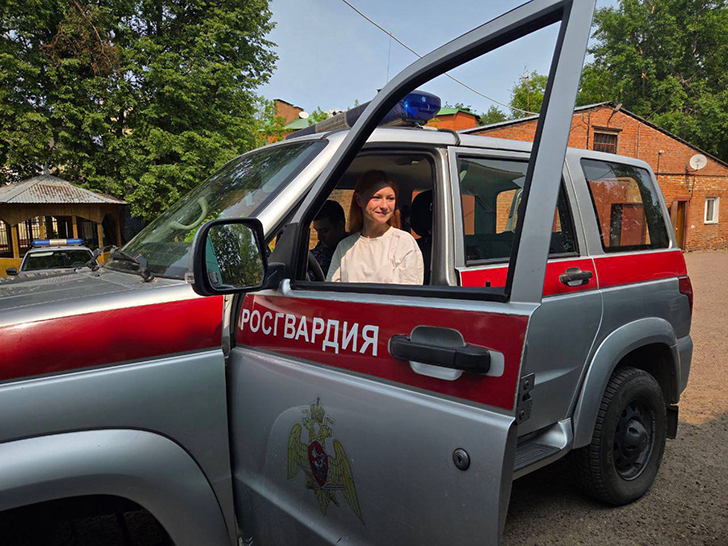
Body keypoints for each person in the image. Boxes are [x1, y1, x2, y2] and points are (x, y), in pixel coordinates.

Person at [327, 170, 424, 284]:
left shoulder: (403, 242)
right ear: (359, 200)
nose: (384, 206)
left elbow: (407, 291)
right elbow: (332, 289)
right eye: (376, 197)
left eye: (390, 198)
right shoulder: (345, 246)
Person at [311, 200, 348, 277]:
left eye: (325, 231)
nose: (319, 237)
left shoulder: (348, 252)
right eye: (317, 231)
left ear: (340, 226)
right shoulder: (323, 245)